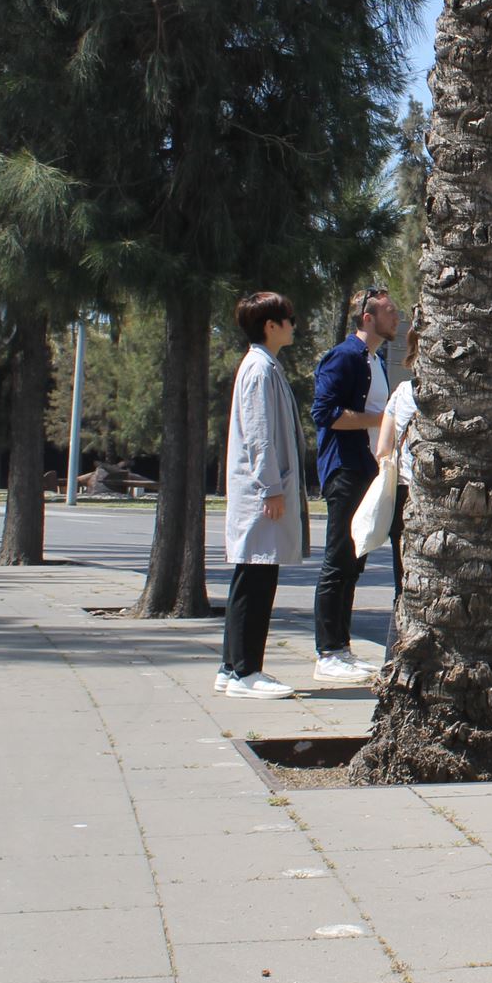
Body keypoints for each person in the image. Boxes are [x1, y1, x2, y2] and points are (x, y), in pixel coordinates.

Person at [218, 291, 309, 700]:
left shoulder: (264, 366)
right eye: (288, 318)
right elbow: (259, 436)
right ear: (270, 326)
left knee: (251, 576)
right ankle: (245, 671)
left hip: (263, 492)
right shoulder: (258, 369)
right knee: (256, 578)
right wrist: (271, 487)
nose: (293, 324)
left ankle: (230, 666)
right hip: (262, 495)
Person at [309, 286, 398, 683]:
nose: (395, 317)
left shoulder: (374, 360)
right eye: (388, 311)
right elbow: (324, 413)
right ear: (367, 317)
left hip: (365, 470)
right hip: (344, 471)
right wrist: (379, 419)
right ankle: (328, 652)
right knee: (338, 561)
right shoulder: (344, 357)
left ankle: (340, 650)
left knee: (353, 562)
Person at [375, 323, 419, 655]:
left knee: (402, 586)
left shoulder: (402, 392)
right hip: (432, 499)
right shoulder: (440, 394)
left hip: (401, 495)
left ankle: (393, 657)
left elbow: (382, 449)